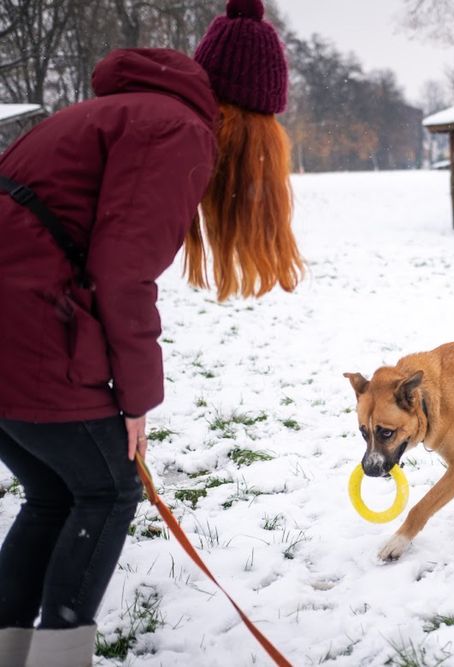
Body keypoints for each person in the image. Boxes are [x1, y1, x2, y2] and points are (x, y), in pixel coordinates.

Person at [0, 0, 301, 664]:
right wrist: (136, 400)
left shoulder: (130, 111)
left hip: (14, 322)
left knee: (55, 491)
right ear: (248, 117)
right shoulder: (178, 131)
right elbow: (122, 271)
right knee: (107, 489)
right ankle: (56, 658)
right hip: (24, 322)